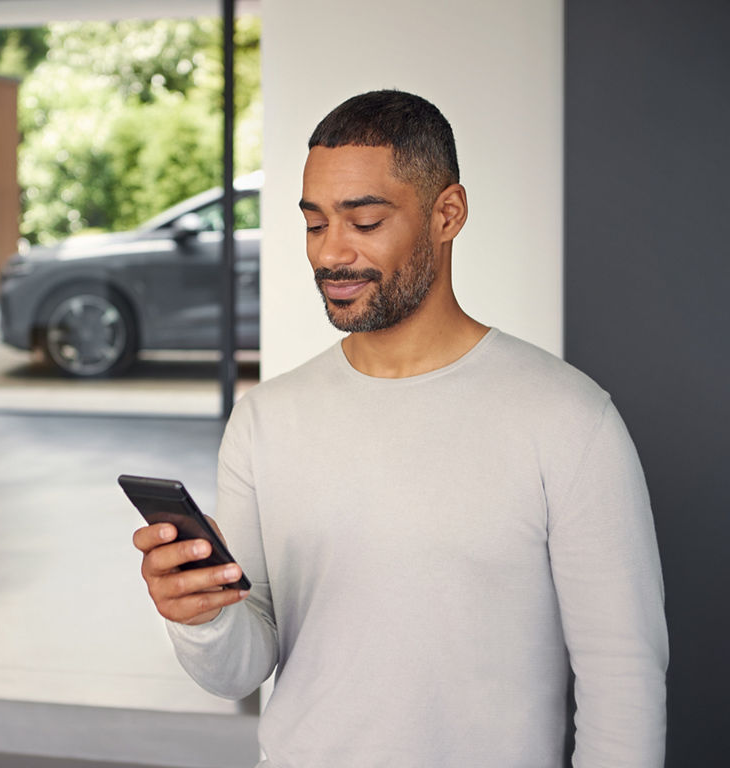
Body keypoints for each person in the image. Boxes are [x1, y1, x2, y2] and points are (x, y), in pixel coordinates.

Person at [133, 90, 668, 767]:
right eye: (315, 222)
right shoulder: (267, 419)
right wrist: (201, 618)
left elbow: (624, 681)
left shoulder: (567, 419)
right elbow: (240, 671)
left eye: (364, 220)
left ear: (448, 214)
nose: (331, 254)